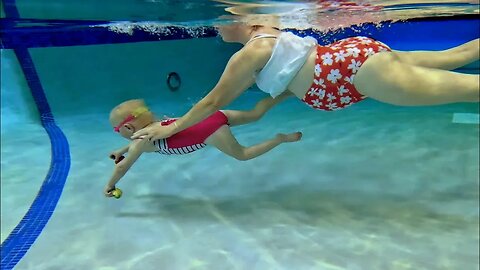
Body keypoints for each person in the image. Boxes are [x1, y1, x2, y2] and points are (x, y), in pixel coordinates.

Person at [131, 23, 479, 142]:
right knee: (457, 54)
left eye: (223, 19)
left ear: (243, 20)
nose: (217, 27)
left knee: (470, 90)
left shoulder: (248, 54)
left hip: (357, 72)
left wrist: (171, 128)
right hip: (354, 59)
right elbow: (292, 80)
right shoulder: (271, 35)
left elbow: (211, 102)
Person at [104, 94, 301, 197]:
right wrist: (121, 150)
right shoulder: (155, 127)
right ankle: (284, 94)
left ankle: (280, 139)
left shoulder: (140, 141)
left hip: (210, 132)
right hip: (212, 116)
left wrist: (110, 185)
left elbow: (122, 166)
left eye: (117, 130)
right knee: (254, 115)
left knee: (243, 154)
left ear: (128, 127)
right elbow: (133, 148)